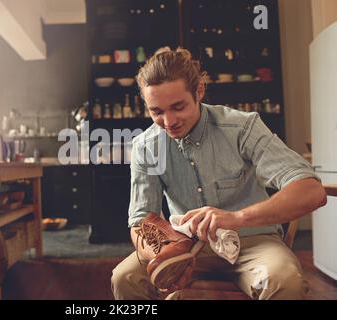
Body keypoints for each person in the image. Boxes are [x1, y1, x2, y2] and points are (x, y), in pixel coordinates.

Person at [111, 47, 327, 300]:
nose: (169, 121)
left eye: (178, 107)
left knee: (284, 281)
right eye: (157, 112)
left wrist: (237, 217)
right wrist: (162, 255)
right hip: (185, 248)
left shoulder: (243, 127)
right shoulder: (146, 146)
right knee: (124, 278)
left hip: (254, 240)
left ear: (199, 91)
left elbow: (311, 191)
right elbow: (139, 220)